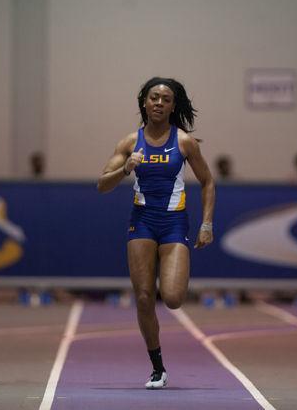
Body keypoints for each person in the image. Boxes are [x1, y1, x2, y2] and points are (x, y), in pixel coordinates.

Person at [97, 77, 215, 389]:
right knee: (145, 297)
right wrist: (126, 169)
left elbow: (208, 182)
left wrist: (207, 223)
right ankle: (158, 366)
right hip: (143, 221)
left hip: (174, 222)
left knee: (174, 298)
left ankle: (160, 359)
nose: (159, 103)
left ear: (173, 106)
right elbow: (102, 184)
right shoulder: (129, 142)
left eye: (165, 99)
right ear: (144, 103)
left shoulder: (185, 142)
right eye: (153, 98)